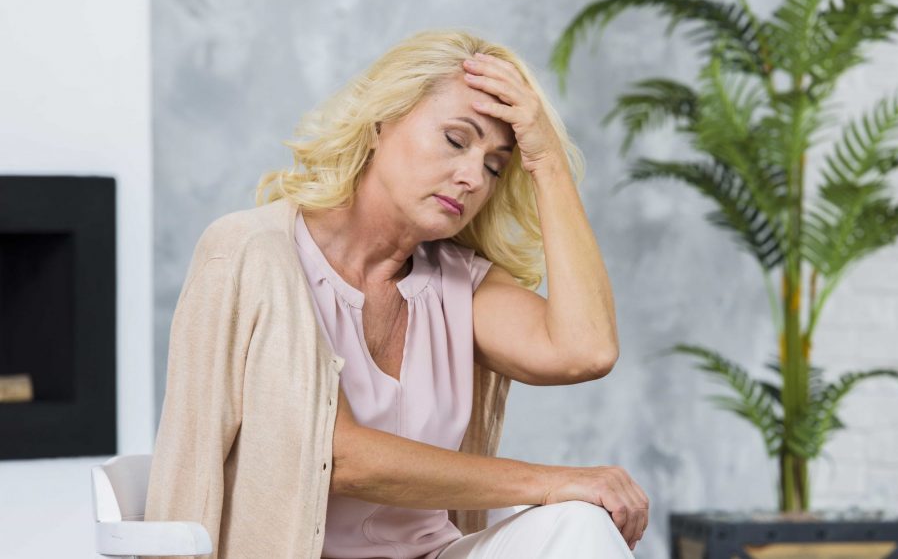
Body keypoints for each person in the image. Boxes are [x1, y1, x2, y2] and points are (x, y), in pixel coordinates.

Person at [144, 29, 649, 559]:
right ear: (381, 122)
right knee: (574, 500)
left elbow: (586, 350)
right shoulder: (258, 254)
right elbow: (335, 457)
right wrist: (552, 481)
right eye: (457, 140)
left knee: (579, 524)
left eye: (495, 165)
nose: (473, 176)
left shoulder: (458, 283)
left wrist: (547, 161)